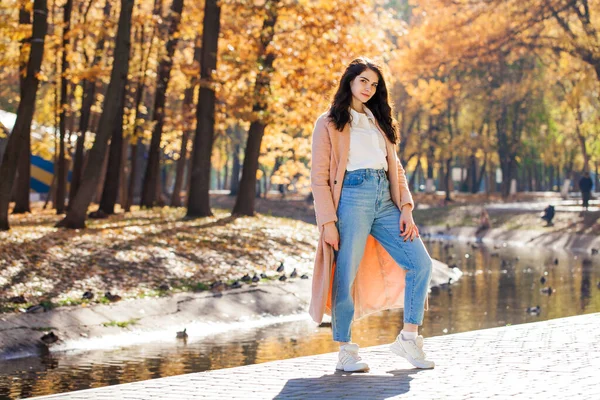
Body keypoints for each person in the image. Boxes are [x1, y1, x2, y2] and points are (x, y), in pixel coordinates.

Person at [309, 57, 434, 372]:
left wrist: (406, 208)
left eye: (374, 84)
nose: (368, 88)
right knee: (345, 274)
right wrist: (327, 223)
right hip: (351, 197)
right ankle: (346, 350)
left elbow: (396, 169)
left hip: (384, 199)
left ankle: (408, 338)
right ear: (349, 80)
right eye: (363, 80)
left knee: (420, 263)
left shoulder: (380, 121)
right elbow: (319, 178)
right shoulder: (328, 123)